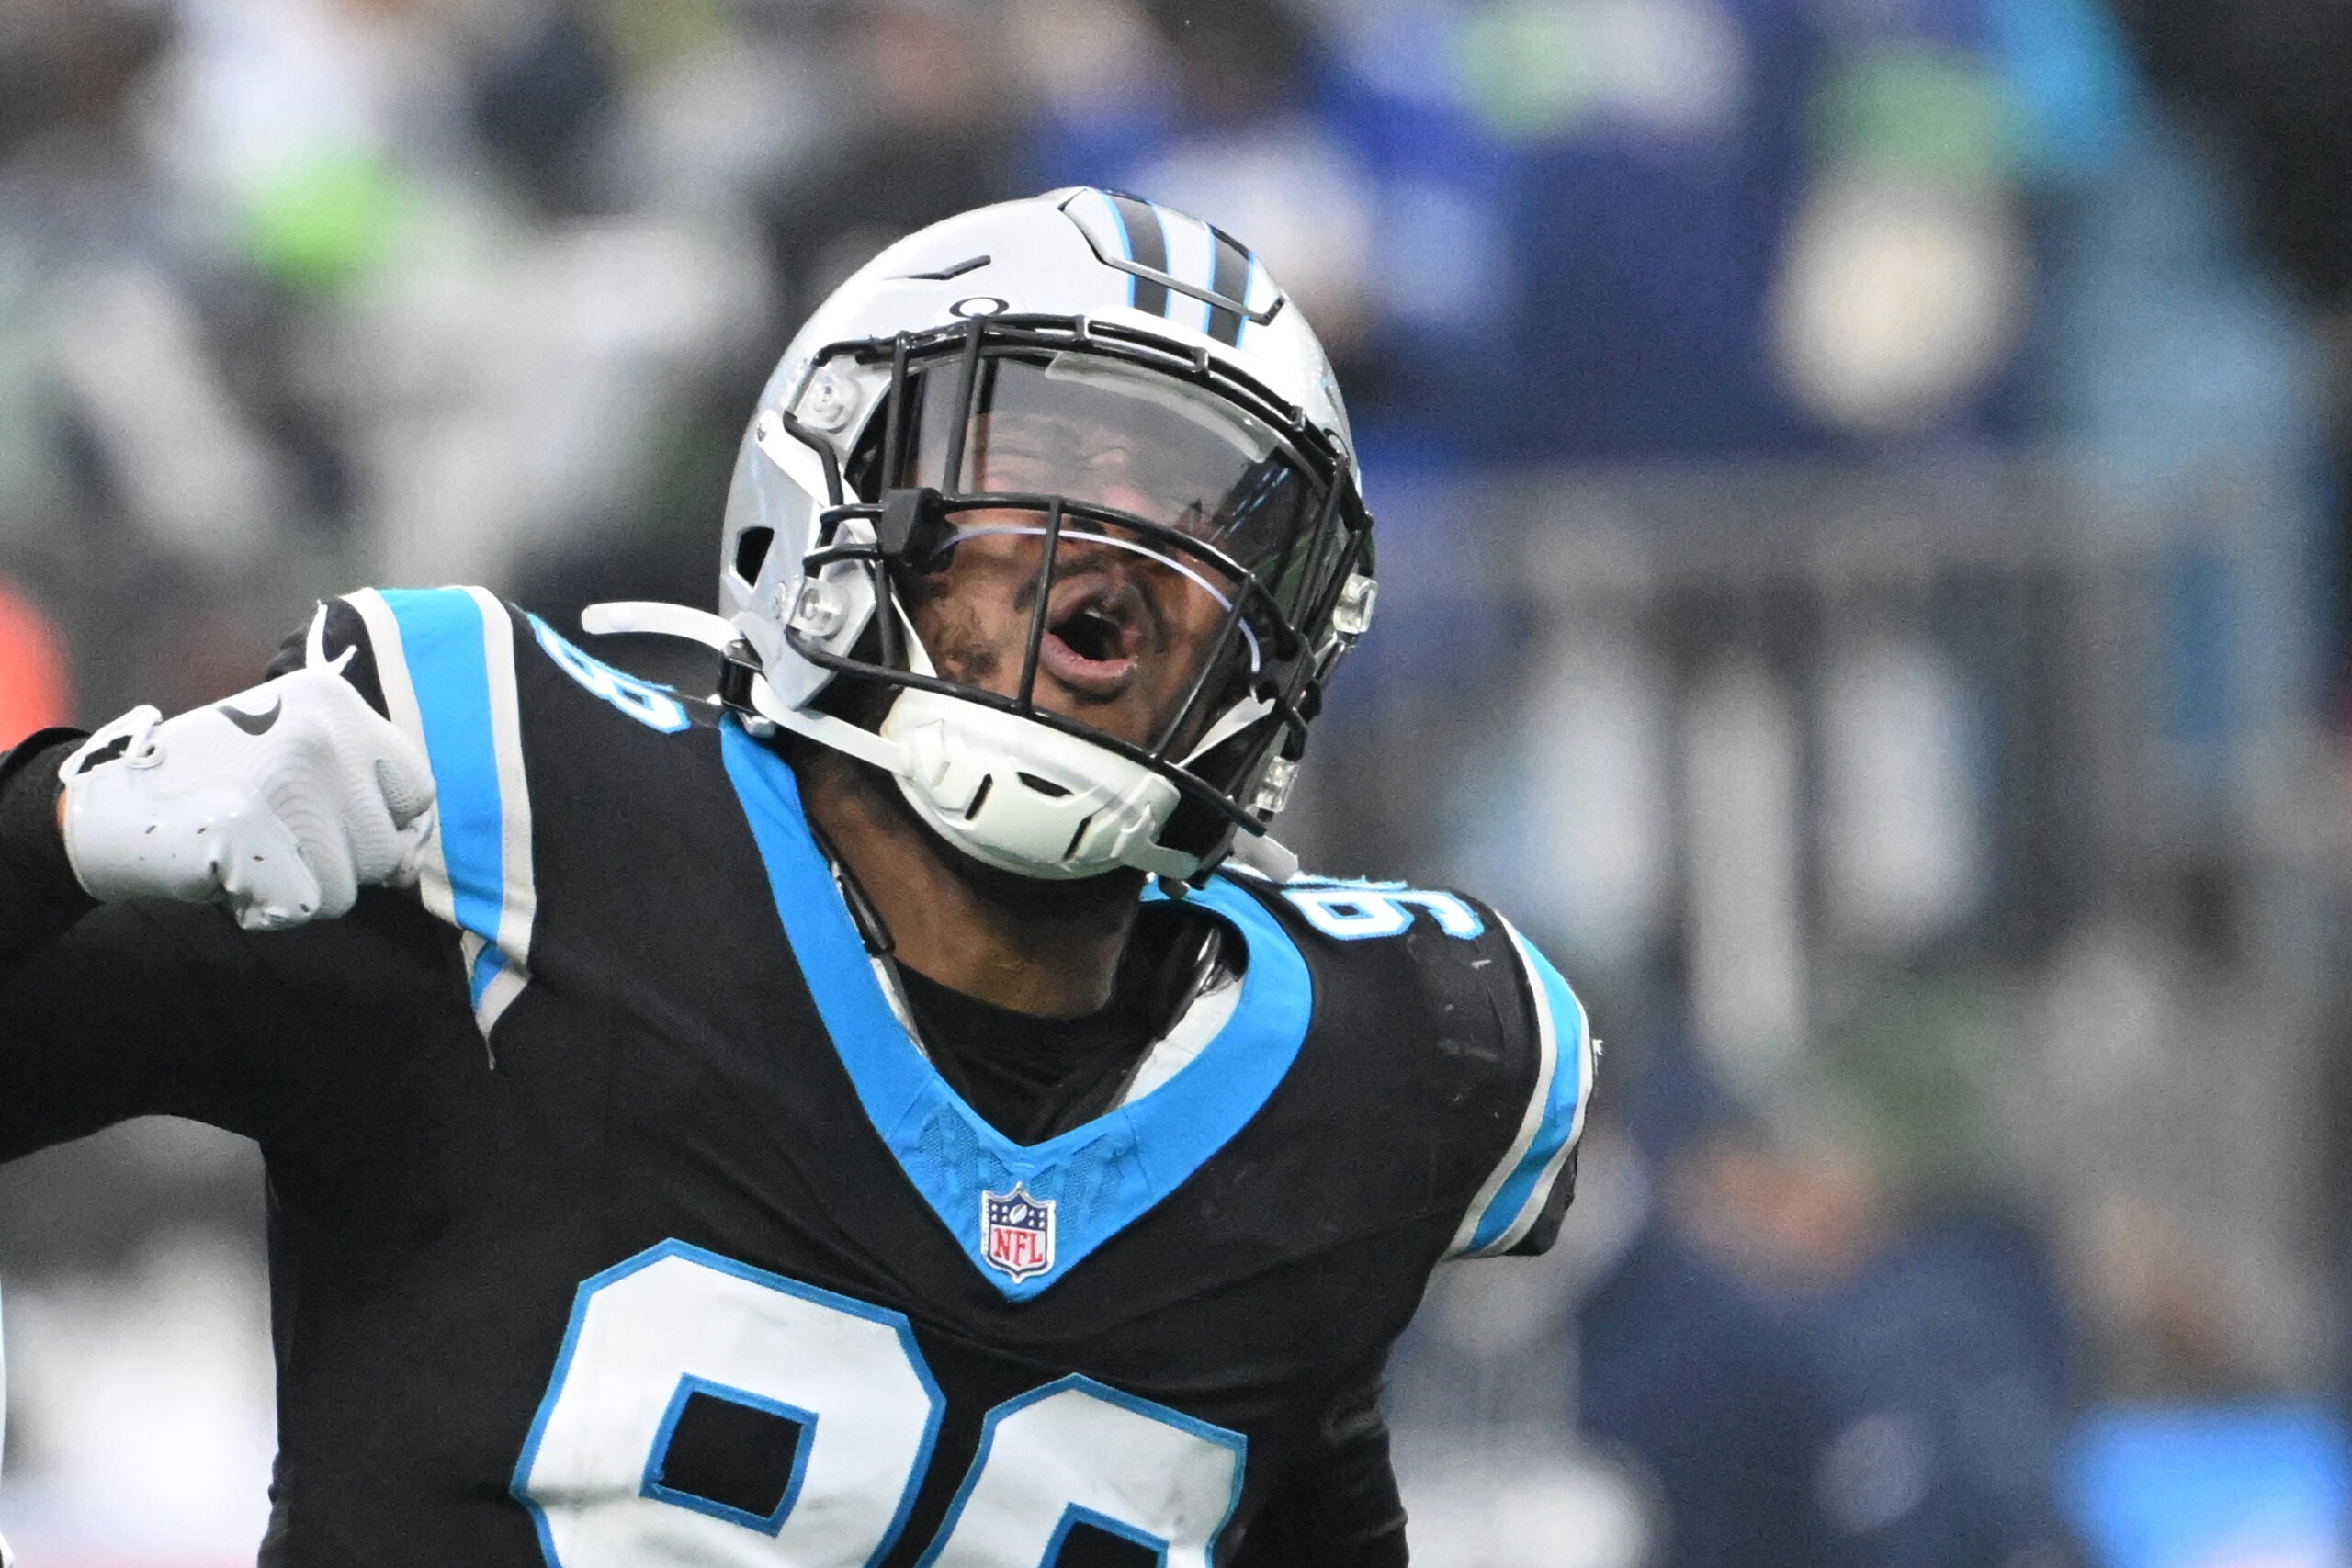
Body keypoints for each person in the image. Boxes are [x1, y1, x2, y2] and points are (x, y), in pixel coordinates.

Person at [0, 189, 1592, 1564]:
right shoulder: (519, 847)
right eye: (1037, 455)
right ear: (844, 494)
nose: (1116, 554)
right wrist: (55, 823)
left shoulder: (1364, 1079)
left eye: (1203, 516)